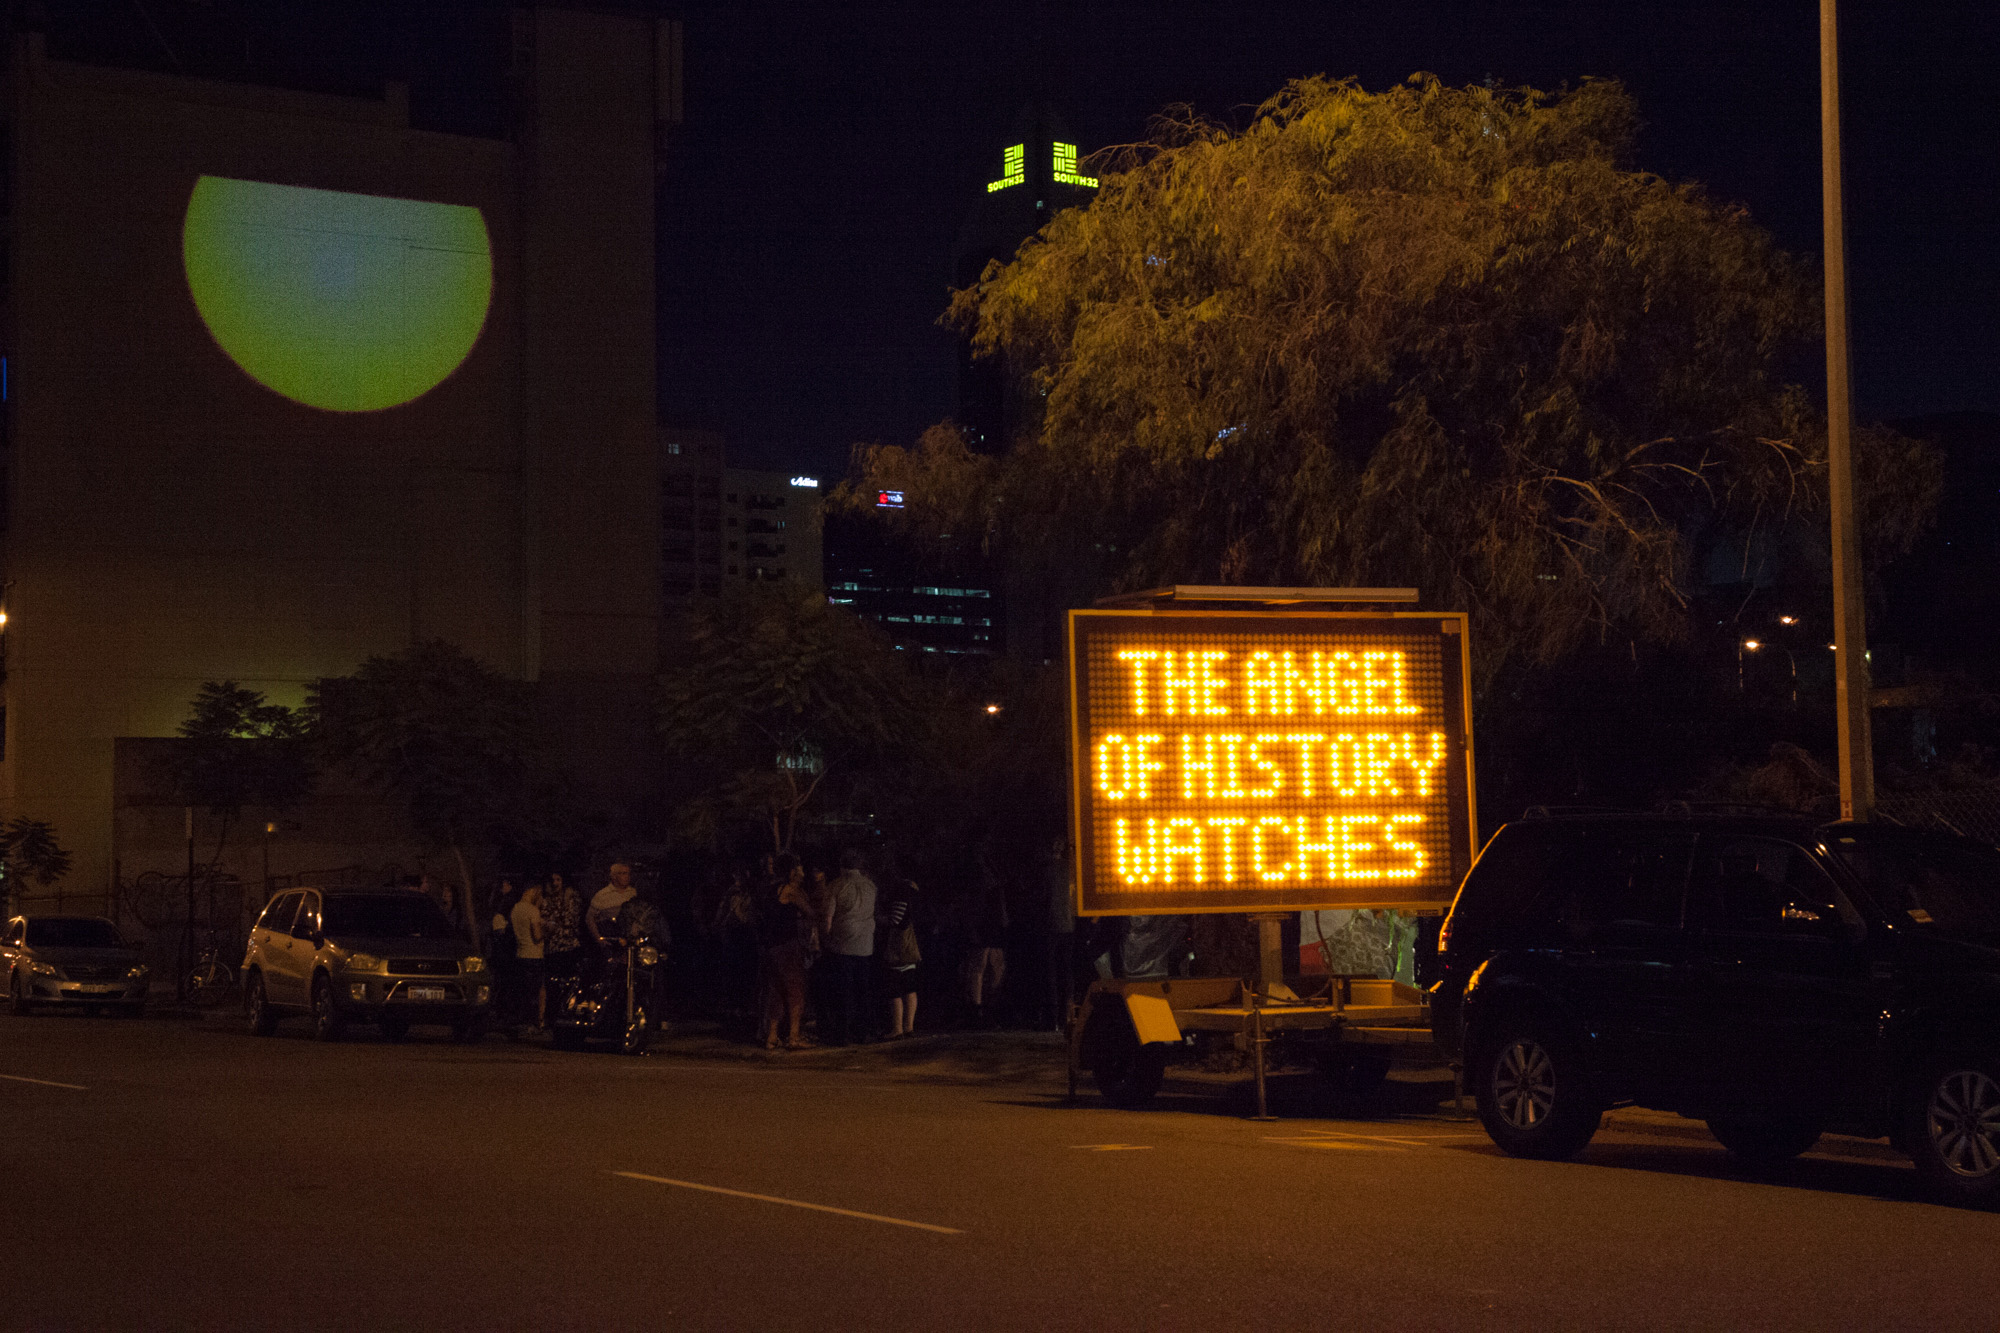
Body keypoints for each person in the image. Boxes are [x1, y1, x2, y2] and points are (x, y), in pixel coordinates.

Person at [757, 854, 816, 1050]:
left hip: (771, 947)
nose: (803, 873)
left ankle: (772, 1036)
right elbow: (810, 912)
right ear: (791, 872)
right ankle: (794, 1036)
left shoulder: (772, 889)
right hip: (787, 946)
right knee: (795, 990)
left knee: (777, 990)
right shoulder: (791, 890)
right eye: (799, 869)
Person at [822, 848, 877, 1044]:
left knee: (842, 992)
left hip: (841, 945)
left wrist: (824, 938)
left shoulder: (836, 886)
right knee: (862, 990)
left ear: (842, 867)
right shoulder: (871, 886)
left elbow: (827, 919)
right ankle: (862, 1032)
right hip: (865, 945)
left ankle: (842, 1034)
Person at [961, 853, 1009, 1028]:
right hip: (985, 924)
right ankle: (979, 1009)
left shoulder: (992, 885)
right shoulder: (981, 884)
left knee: (991, 966)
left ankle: (985, 1008)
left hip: (990, 925)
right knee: (981, 966)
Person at [876, 871, 921, 1039]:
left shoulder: (901, 891)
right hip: (911, 947)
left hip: (898, 946)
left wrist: (878, 918)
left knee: (894, 986)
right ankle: (909, 1027)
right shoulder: (916, 892)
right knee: (910, 987)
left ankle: (897, 1029)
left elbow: (896, 920)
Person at [510, 882, 547, 1030]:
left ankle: (521, 1020)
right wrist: (547, 930)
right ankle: (537, 1021)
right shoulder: (532, 911)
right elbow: (537, 935)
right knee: (537, 990)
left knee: (523, 990)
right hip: (534, 955)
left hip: (521, 953)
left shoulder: (515, 908)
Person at [542, 871, 583, 982]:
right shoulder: (547, 900)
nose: (555, 883)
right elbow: (546, 921)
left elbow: (572, 920)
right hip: (553, 947)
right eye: (552, 880)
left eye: (558, 880)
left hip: (570, 946)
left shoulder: (572, 897)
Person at [588, 863, 638, 945]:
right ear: (614, 876)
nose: (627, 876)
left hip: (631, 940)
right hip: (611, 940)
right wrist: (598, 939)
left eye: (628, 873)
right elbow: (590, 919)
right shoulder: (602, 895)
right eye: (623, 873)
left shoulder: (633, 893)